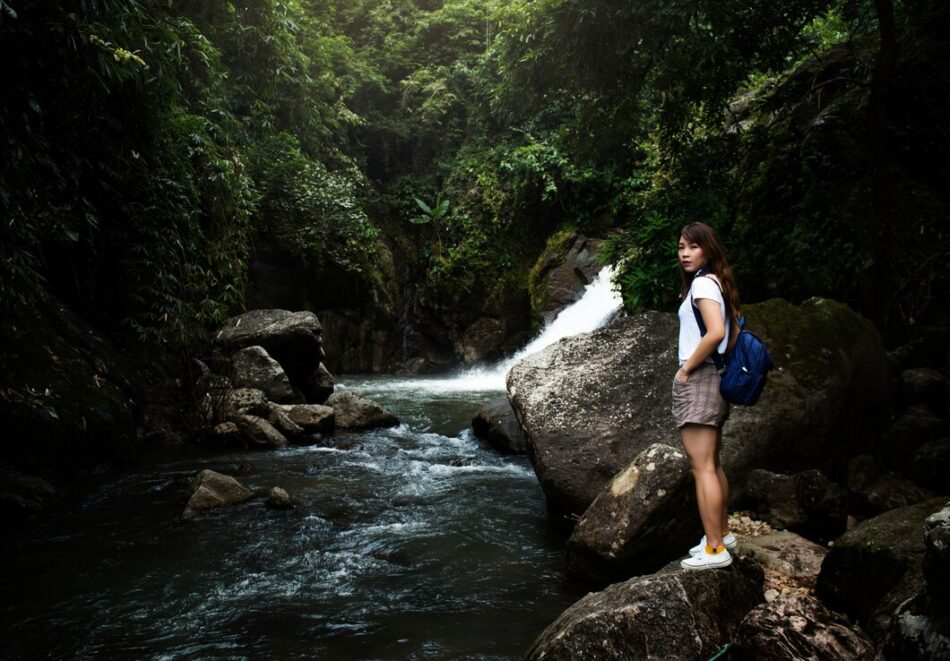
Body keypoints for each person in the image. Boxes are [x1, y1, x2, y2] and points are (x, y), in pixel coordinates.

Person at [672, 221, 741, 570]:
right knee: (712, 464)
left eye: (693, 247)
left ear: (708, 249)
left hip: (700, 377)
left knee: (702, 469)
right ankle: (722, 534)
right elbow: (734, 331)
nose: (685, 253)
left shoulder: (702, 284)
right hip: (715, 376)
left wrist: (687, 369)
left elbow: (714, 333)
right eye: (681, 247)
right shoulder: (716, 282)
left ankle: (715, 549)